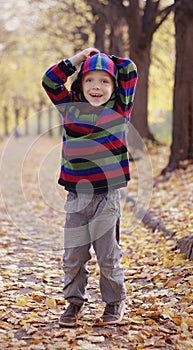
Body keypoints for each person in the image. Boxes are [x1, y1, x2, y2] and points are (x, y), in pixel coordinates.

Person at [42, 48, 138, 327]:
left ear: (114, 86)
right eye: (89, 80)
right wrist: (79, 59)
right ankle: (73, 303)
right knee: (74, 255)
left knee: (108, 255)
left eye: (105, 81)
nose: (97, 86)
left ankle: (113, 302)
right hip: (76, 197)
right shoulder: (70, 107)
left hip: (107, 197)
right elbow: (50, 80)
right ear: (79, 84)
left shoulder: (120, 108)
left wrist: (105, 58)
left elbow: (129, 68)